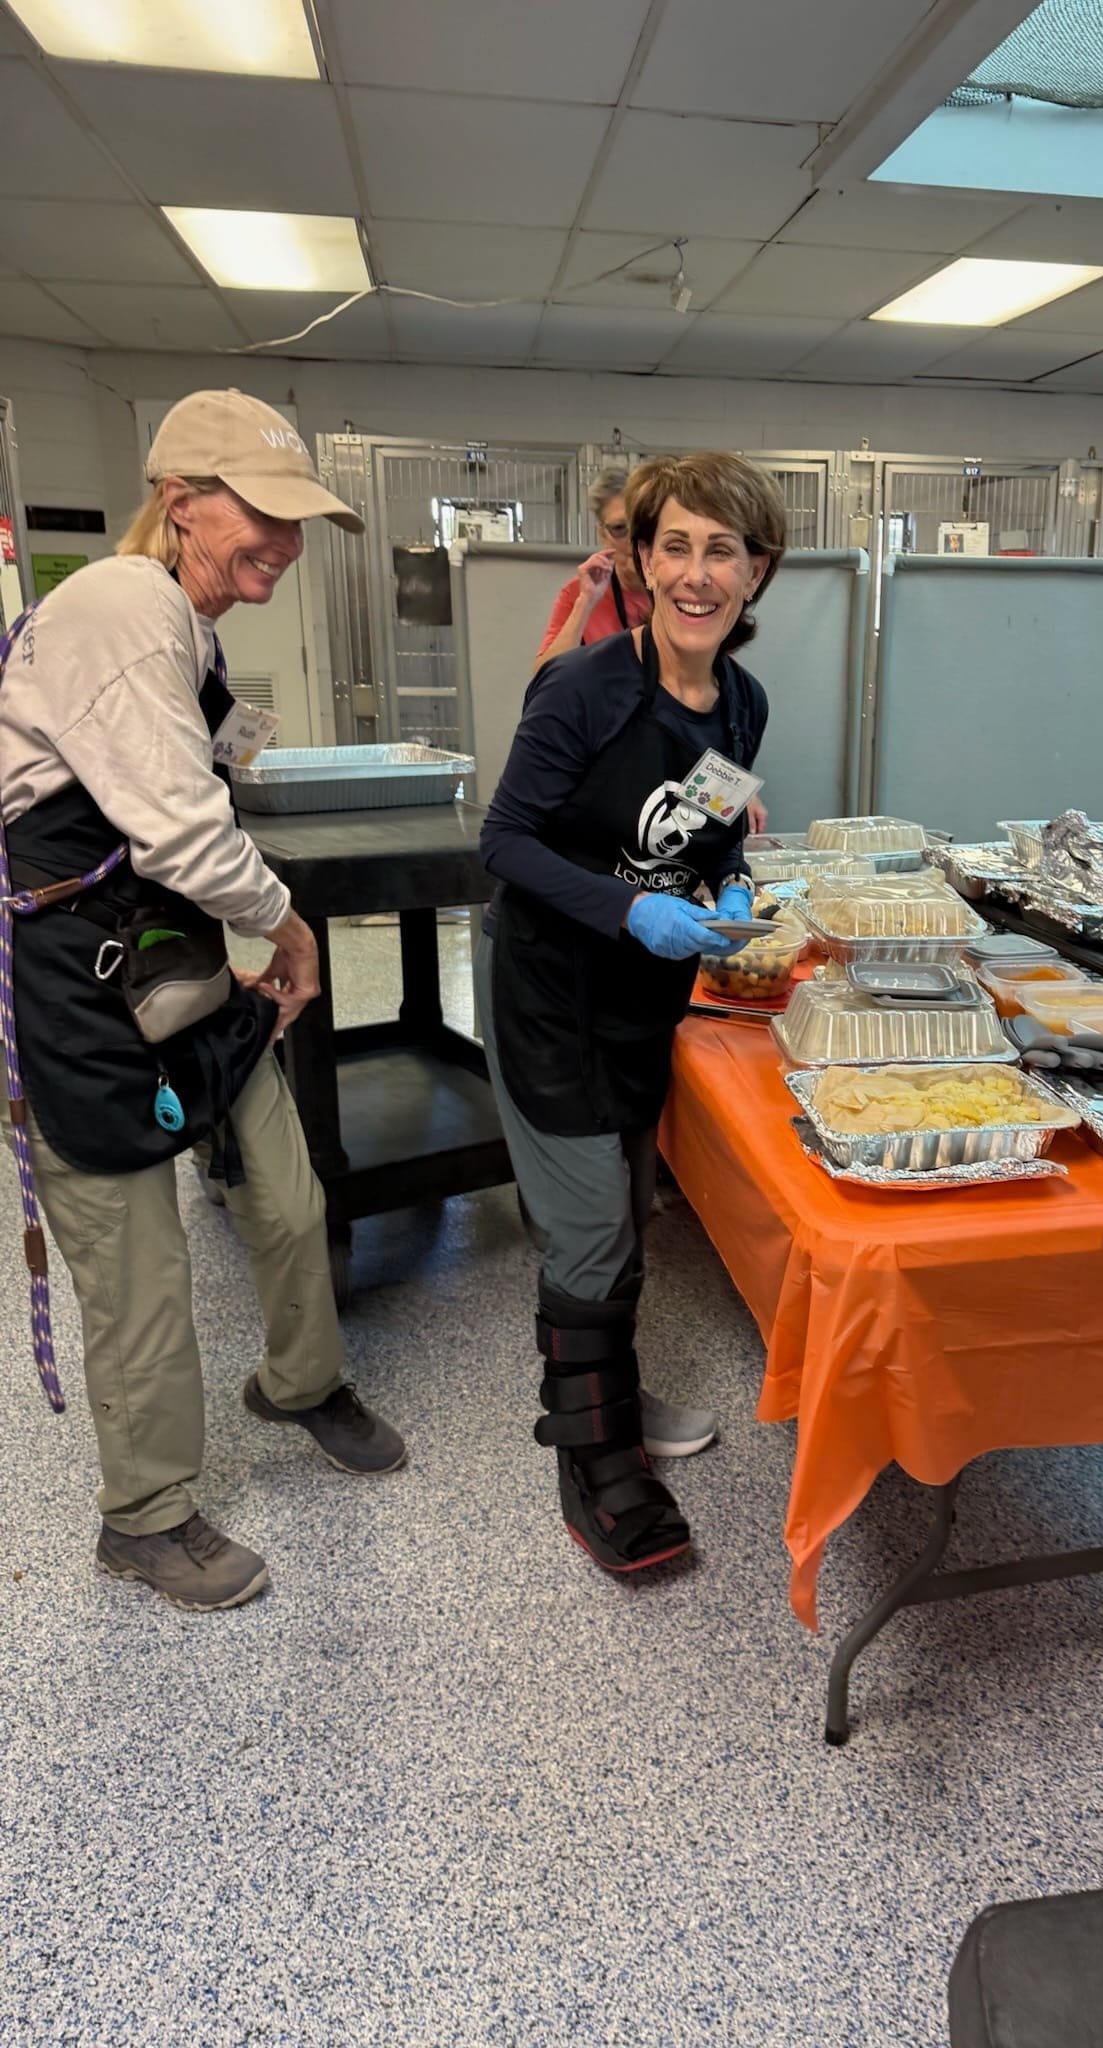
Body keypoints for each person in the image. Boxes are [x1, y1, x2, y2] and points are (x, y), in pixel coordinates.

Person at [0, 389, 405, 1612]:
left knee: (286, 1195)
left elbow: (194, 788)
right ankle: (147, 1513)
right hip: (79, 984)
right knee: (140, 1270)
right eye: (262, 516)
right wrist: (286, 925)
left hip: (172, 961)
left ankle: (297, 1378)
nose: (283, 544)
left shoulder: (192, 628)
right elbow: (177, 826)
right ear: (179, 501)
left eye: (298, 523)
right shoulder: (123, 606)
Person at [477, 452, 786, 1571]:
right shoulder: (585, 687)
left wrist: (735, 886)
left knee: (624, 1205)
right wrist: (627, 912)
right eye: (676, 547)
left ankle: (604, 1391)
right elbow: (503, 842)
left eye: (723, 550)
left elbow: (714, 821)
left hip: (644, 1002)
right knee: (592, 1223)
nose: (697, 573)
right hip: (553, 994)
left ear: (757, 571)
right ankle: (594, 1462)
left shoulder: (741, 702)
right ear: (641, 561)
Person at [536, 463, 770, 835]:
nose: (695, 577)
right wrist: (586, 602)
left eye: (720, 552)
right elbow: (544, 685)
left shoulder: (744, 693)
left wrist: (736, 787)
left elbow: (712, 715)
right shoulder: (583, 610)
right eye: (619, 529)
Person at [535, 464, 654, 665]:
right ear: (602, 535)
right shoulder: (579, 593)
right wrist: (586, 603)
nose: (633, 540)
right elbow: (545, 675)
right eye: (619, 528)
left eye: (642, 527)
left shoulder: (676, 589)